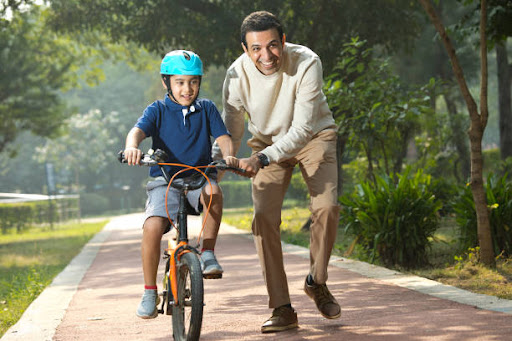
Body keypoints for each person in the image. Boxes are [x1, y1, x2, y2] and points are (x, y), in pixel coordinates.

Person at [214, 11, 341, 333]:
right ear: (245, 49)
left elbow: (301, 128)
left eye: (273, 45)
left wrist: (261, 160)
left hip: (314, 137)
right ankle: (282, 307)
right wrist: (217, 167)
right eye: (256, 48)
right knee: (263, 218)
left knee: (326, 206)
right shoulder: (235, 75)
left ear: (283, 41)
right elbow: (233, 129)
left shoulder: (307, 62)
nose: (266, 55)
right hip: (266, 142)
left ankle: (316, 281)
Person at [124, 50, 235, 319]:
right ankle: (150, 290)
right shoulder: (158, 110)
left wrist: (229, 155)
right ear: (167, 83)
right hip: (165, 180)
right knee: (152, 227)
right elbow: (137, 131)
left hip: (199, 177)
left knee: (214, 191)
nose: (188, 88)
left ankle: (207, 252)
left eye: (193, 82)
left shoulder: (206, 108)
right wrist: (132, 146)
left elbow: (223, 137)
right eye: (180, 82)